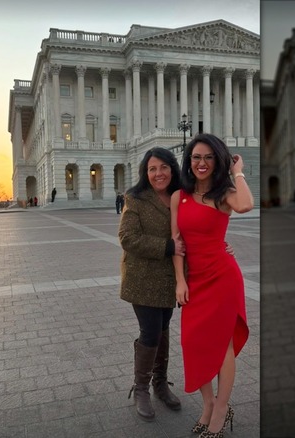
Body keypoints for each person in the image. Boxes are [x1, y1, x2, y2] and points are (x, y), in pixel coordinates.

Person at [172, 133, 253, 437]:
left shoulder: (224, 194)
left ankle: (220, 410)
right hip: (195, 281)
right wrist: (180, 281)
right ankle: (208, 403)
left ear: (217, 160)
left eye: (208, 157)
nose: (201, 163)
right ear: (189, 161)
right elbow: (177, 243)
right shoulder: (178, 196)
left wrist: (238, 171)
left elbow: (246, 204)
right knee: (193, 342)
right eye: (196, 157)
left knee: (222, 346)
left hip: (222, 278)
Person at [119, 147, 185, 421]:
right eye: (152, 169)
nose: (158, 173)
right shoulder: (135, 199)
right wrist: (168, 246)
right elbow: (127, 238)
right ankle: (143, 388)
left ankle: (160, 383)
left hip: (170, 279)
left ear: (172, 169)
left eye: (163, 167)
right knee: (150, 332)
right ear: (146, 173)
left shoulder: (181, 197)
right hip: (142, 278)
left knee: (164, 330)